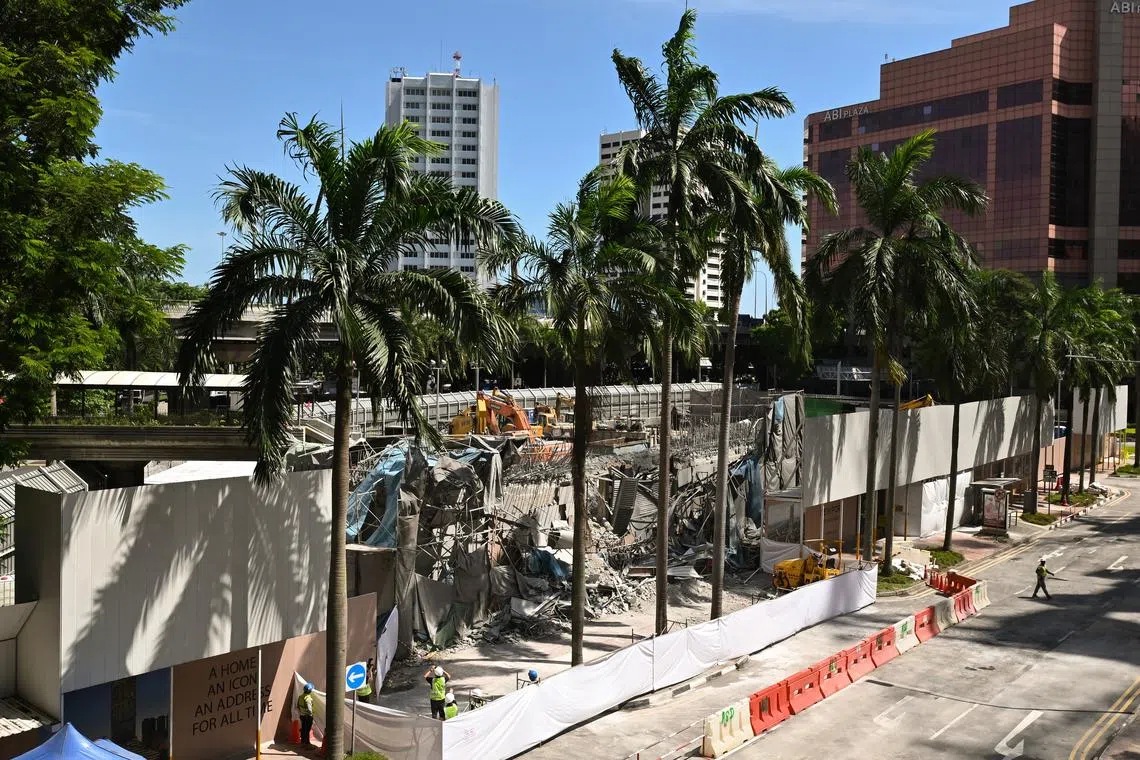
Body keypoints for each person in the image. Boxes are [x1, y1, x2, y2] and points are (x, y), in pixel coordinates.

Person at [297, 682, 315, 748]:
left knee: (303, 728)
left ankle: (302, 741)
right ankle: (307, 743)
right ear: (310, 691)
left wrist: (302, 712)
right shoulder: (308, 699)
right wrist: (310, 715)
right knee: (307, 730)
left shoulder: (301, 697)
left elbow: (298, 706)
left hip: (302, 716)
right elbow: (310, 709)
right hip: (307, 716)